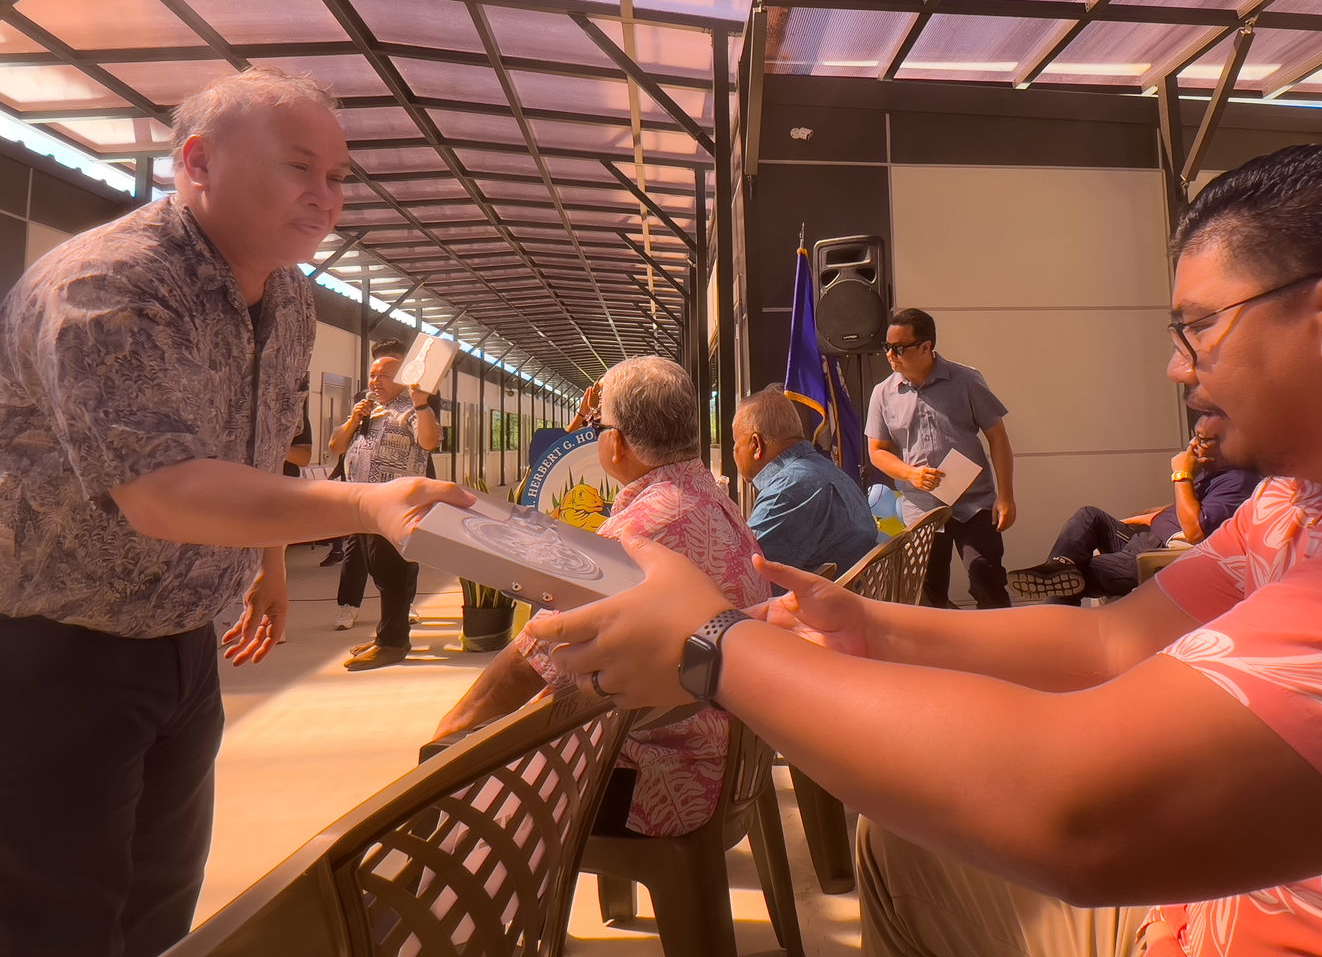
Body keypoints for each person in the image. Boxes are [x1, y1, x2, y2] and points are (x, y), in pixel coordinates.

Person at [522, 143, 1322, 957]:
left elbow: (1080, 815)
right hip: (1247, 907)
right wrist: (869, 625)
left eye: (1197, 327)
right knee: (913, 837)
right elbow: (1110, 647)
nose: (1181, 368)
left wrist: (713, 648)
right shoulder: (1315, 490)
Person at [0, 67, 471, 957]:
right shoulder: (112, 286)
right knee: (54, 919)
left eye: (336, 178)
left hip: (180, 644)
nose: (324, 197)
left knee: (158, 907)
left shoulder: (283, 292)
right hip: (54, 651)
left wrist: (263, 571)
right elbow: (163, 488)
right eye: (300, 169)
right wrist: (367, 502)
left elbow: (255, 445)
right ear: (198, 163)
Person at [432, 356, 765, 837]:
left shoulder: (640, 532)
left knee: (466, 794)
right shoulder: (711, 497)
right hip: (727, 757)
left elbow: (535, 659)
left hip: (663, 776)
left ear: (616, 441)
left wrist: (448, 733)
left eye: (596, 422)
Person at [866, 307, 1016, 608]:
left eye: (899, 348)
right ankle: (946, 651)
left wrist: (1006, 497)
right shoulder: (883, 394)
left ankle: (1005, 646)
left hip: (974, 503)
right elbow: (877, 452)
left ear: (926, 347)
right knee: (928, 593)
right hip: (921, 509)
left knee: (985, 577)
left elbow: (997, 436)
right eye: (887, 347)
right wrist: (910, 474)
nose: (890, 355)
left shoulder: (966, 380)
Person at [1010, 426, 1259, 602]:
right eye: (1195, 437)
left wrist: (1181, 474)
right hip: (1144, 540)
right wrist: (1143, 518)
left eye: (1204, 440)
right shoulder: (1211, 472)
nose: (1193, 446)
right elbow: (1181, 509)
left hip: (1159, 558)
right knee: (1089, 516)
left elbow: (1195, 531)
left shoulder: (1237, 481)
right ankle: (1057, 565)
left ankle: (1054, 635)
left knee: (1075, 577)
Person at [330, 351, 441, 668]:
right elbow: (335, 446)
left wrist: (421, 404)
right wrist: (354, 418)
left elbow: (430, 442)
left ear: (403, 380)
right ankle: (385, 635)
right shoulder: (368, 411)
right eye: (373, 374)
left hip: (395, 508)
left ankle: (393, 643)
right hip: (363, 505)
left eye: (383, 375)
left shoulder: (413, 411)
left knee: (393, 574)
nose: (374, 381)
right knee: (378, 570)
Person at [732, 387, 879, 577]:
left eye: (736, 442)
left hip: (826, 605)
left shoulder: (788, 490)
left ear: (756, 444)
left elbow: (742, 575)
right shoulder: (829, 471)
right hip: (856, 599)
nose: (734, 451)